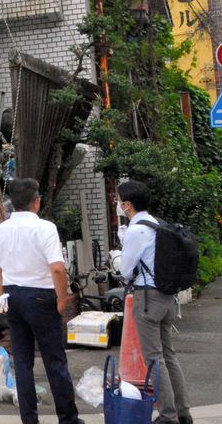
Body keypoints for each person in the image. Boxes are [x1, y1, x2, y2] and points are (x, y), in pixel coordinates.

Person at [0, 179, 82, 424]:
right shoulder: (45, 228)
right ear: (36, 201)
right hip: (42, 296)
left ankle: (29, 420)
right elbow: (58, 269)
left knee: (22, 362)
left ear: (13, 204)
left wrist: (1, 295)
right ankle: (68, 419)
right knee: (54, 360)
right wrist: (62, 300)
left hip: (12, 296)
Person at [117, 180, 192, 424]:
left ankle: (168, 416)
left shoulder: (137, 230)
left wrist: (123, 246)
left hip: (148, 298)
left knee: (154, 358)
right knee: (168, 355)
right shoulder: (158, 224)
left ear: (127, 205)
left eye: (119, 201)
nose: (117, 204)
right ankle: (183, 412)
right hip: (168, 298)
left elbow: (126, 271)